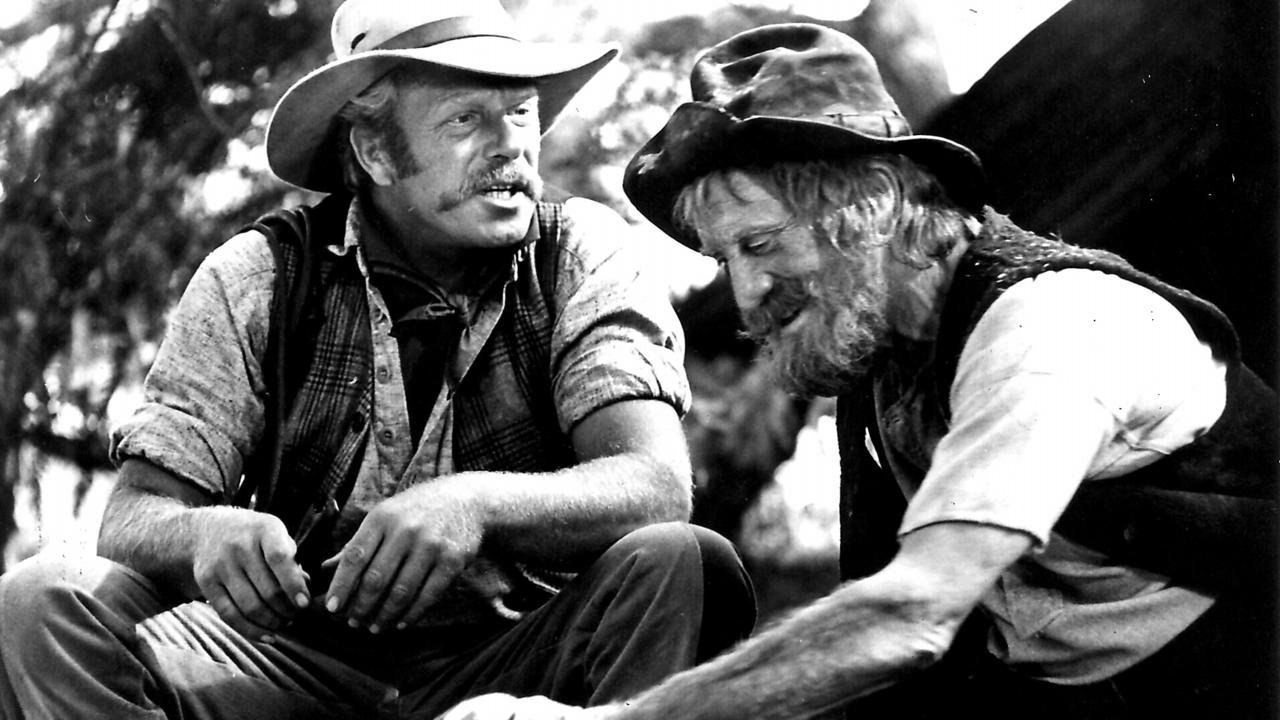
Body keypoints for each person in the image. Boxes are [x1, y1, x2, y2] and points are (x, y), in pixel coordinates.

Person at [439, 22, 1279, 720]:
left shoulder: (1048, 324)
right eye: (727, 257)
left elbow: (907, 619)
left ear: (872, 200)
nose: (746, 292)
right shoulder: (884, 368)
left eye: (761, 244)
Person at [0, 2, 757, 718]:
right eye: (466, 119)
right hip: (282, 663)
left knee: (683, 564)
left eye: (521, 113)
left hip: (523, 658)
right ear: (374, 151)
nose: (511, 146)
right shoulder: (260, 276)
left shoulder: (581, 255)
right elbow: (132, 517)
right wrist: (206, 536)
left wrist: (475, 506)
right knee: (42, 598)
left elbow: (655, 486)